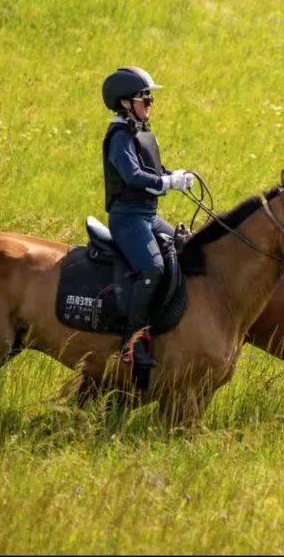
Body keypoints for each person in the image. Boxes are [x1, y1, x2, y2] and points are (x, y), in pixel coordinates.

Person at [100, 66, 195, 370]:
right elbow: (132, 175)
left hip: (148, 215)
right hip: (128, 219)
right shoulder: (119, 136)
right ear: (126, 103)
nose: (151, 104)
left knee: (184, 248)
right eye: (146, 99)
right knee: (152, 268)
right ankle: (131, 341)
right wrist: (167, 184)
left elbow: (154, 170)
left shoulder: (140, 132)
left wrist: (175, 175)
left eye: (150, 99)